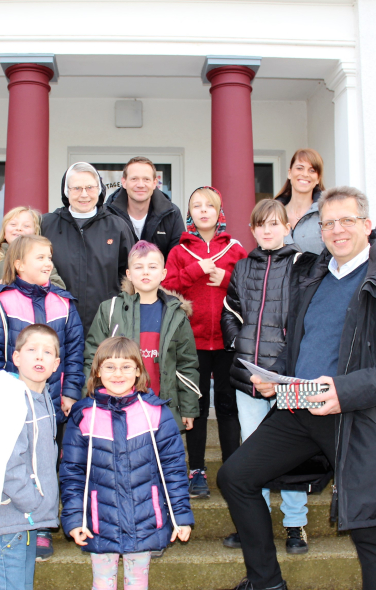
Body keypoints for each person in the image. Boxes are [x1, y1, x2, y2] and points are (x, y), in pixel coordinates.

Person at [217, 186, 376, 590]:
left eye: (347, 221)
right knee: (235, 477)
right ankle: (266, 582)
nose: (337, 230)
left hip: (362, 418)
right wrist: (275, 377)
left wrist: (346, 390)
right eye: (328, 223)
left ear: (367, 226)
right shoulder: (314, 278)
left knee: (368, 528)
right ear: (320, 231)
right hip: (299, 409)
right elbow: (301, 343)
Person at [0, 233, 85, 561]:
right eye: (40, 258)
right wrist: (0, 395)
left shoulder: (64, 303)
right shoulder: (2, 300)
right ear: (19, 264)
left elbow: (75, 351)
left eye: (50, 257)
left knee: (46, 460)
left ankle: (41, 527)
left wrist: (69, 391)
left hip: (52, 401)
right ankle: (15, 522)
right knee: (18, 460)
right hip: (14, 402)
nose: (48, 263)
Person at [60, 337, 194, 590]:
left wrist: (180, 517)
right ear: (98, 371)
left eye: (126, 367)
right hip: (99, 522)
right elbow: (73, 474)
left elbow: (173, 470)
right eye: (109, 366)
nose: (118, 374)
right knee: (102, 582)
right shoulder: (84, 416)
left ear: (138, 371)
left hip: (145, 519)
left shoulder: (157, 413)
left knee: (137, 583)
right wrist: (75, 519)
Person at [218, 198, 313, 554]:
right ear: (253, 229)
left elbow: (310, 316)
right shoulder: (243, 267)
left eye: (275, 223)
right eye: (261, 224)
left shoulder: (304, 265)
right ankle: (252, 522)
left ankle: (295, 525)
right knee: (252, 452)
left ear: (287, 226)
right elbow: (230, 311)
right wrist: (237, 342)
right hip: (249, 376)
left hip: (288, 378)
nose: (268, 230)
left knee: (290, 452)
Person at [162, 186, 247, 498]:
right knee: (193, 408)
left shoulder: (235, 249)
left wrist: (224, 279)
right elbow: (166, 287)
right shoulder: (179, 251)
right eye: (196, 206)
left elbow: (249, 288)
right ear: (190, 214)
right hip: (191, 343)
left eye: (208, 205)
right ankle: (195, 468)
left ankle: (231, 470)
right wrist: (195, 271)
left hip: (227, 343)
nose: (203, 210)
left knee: (227, 407)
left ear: (219, 211)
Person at [0, 206, 65, 430]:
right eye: (13, 224)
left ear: (35, 231)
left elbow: (60, 292)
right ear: (4, 229)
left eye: (26, 225)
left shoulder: (43, 262)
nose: (19, 229)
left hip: (29, 342)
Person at [0, 324, 62, 590]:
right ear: (16, 357)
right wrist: (31, 503)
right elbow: (8, 462)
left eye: (47, 352)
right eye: (32, 349)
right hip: (9, 518)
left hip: (26, 521)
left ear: (56, 364)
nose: (39, 357)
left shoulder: (41, 397)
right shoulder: (9, 397)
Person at [83, 240, 202, 431]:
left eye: (152, 267)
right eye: (138, 267)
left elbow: (187, 365)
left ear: (163, 273)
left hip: (161, 405)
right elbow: (92, 357)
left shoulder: (176, 314)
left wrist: (188, 408)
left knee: (159, 457)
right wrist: (88, 400)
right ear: (129, 274)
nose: (145, 272)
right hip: (116, 404)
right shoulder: (110, 309)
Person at [42, 162, 136, 327]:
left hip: (106, 323)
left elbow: (130, 276)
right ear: (66, 191)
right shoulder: (46, 225)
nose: (84, 194)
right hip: (54, 322)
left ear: (99, 190)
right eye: (76, 188)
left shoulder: (117, 227)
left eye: (90, 188)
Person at [105, 156, 186, 259]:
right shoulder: (107, 214)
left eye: (146, 179)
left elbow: (177, 260)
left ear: (154, 183)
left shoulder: (172, 214)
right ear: (124, 182)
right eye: (134, 179)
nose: (140, 185)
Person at [275, 148, 326, 255]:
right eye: (299, 168)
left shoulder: (326, 214)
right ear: (289, 173)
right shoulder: (273, 214)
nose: (305, 174)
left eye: (312, 170)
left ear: (318, 179)